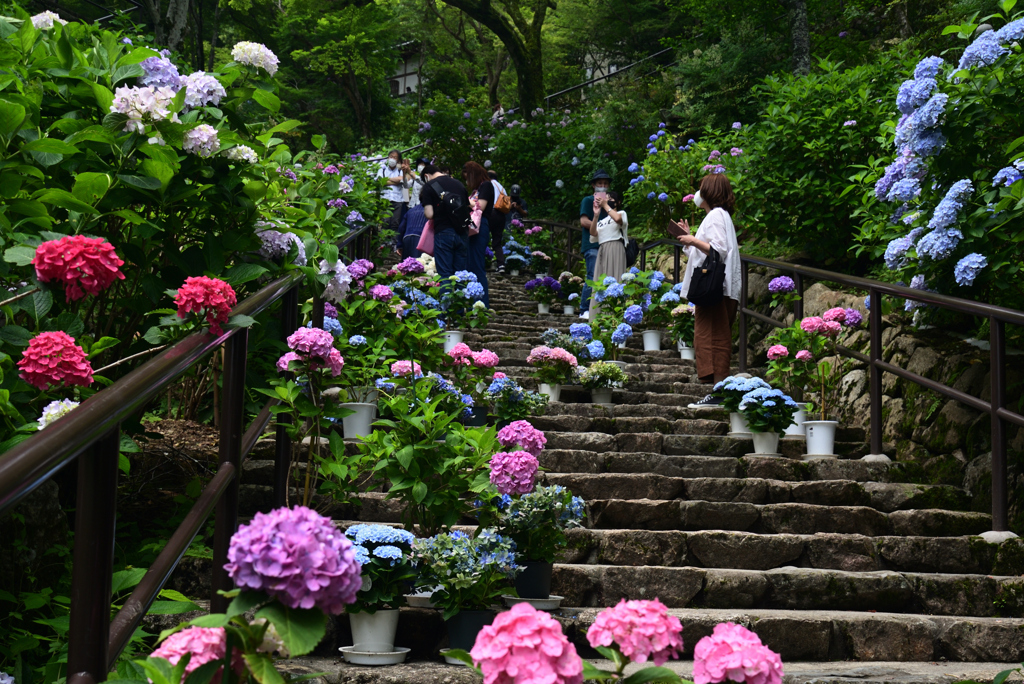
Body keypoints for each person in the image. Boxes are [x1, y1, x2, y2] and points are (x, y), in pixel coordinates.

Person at [673, 174, 742, 405]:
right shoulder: (719, 216)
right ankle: (718, 391)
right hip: (722, 289)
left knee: (713, 337)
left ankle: (719, 392)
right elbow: (710, 251)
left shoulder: (715, 216)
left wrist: (693, 240)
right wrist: (691, 238)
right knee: (715, 336)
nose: (698, 193)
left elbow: (718, 250)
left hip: (714, 289)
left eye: (701, 188)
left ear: (709, 192)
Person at [418, 165, 469, 281]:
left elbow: (429, 214)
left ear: (426, 176)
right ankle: (460, 298)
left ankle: (446, 298)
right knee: (460, 274)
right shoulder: (459, 184)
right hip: (462, 232)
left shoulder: (428, 186)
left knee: (445, 274)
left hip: (444, 231)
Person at [586, 191, 628, 317]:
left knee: (616, 278)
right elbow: (593, 234)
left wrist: (605, 205)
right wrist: (595, 215)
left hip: (615, 247)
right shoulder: (602, 221)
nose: (607, 200)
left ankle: (615, 317)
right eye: (606, 199)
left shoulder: (621, 213)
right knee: (600, 280)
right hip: (602, 249)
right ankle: (598, 317)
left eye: (610, 198)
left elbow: (618, 219)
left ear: (617, 202)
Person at [579, 169, 612, 320]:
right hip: (591, 245)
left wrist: (607, 205)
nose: (603, 186)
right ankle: (584, 309)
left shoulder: (609, 203)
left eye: (605, 183)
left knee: (606, 277)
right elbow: (583, 221)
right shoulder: (587, 200)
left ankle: (601, 309)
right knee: (592, 275)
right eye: (600, 183)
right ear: (593, 185)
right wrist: (600, 226)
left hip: (607, 245)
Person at [463, 160, 492, 308]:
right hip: (473, 227)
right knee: (470, 264)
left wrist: (462, 199)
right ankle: (473, 303)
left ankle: (481, 304)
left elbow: (481, 206)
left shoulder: (486, 186)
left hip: (481, 227)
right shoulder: (476, 190)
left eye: (467, 176)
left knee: (477, 265)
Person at [378, 149, 413, 235]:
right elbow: (380, 182)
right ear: (388, 158)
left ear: (398, 160)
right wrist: (395, 180)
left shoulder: (400, 171)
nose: (392, 159)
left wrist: (386, 180)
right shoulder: (381, 170)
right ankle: (384, 244)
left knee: (395, 223)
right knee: (385, 222)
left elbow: (402, 179)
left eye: (395, 157)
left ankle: (394, 244)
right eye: (391, 157)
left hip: (398, 200)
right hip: (385, 200)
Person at [487, 170, 508, 274]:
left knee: (482, 238)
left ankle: (481, 262)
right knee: (497, 241)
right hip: (501, 215)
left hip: (491, 213)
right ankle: (501, 265)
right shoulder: (501, 187)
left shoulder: (488, 184)